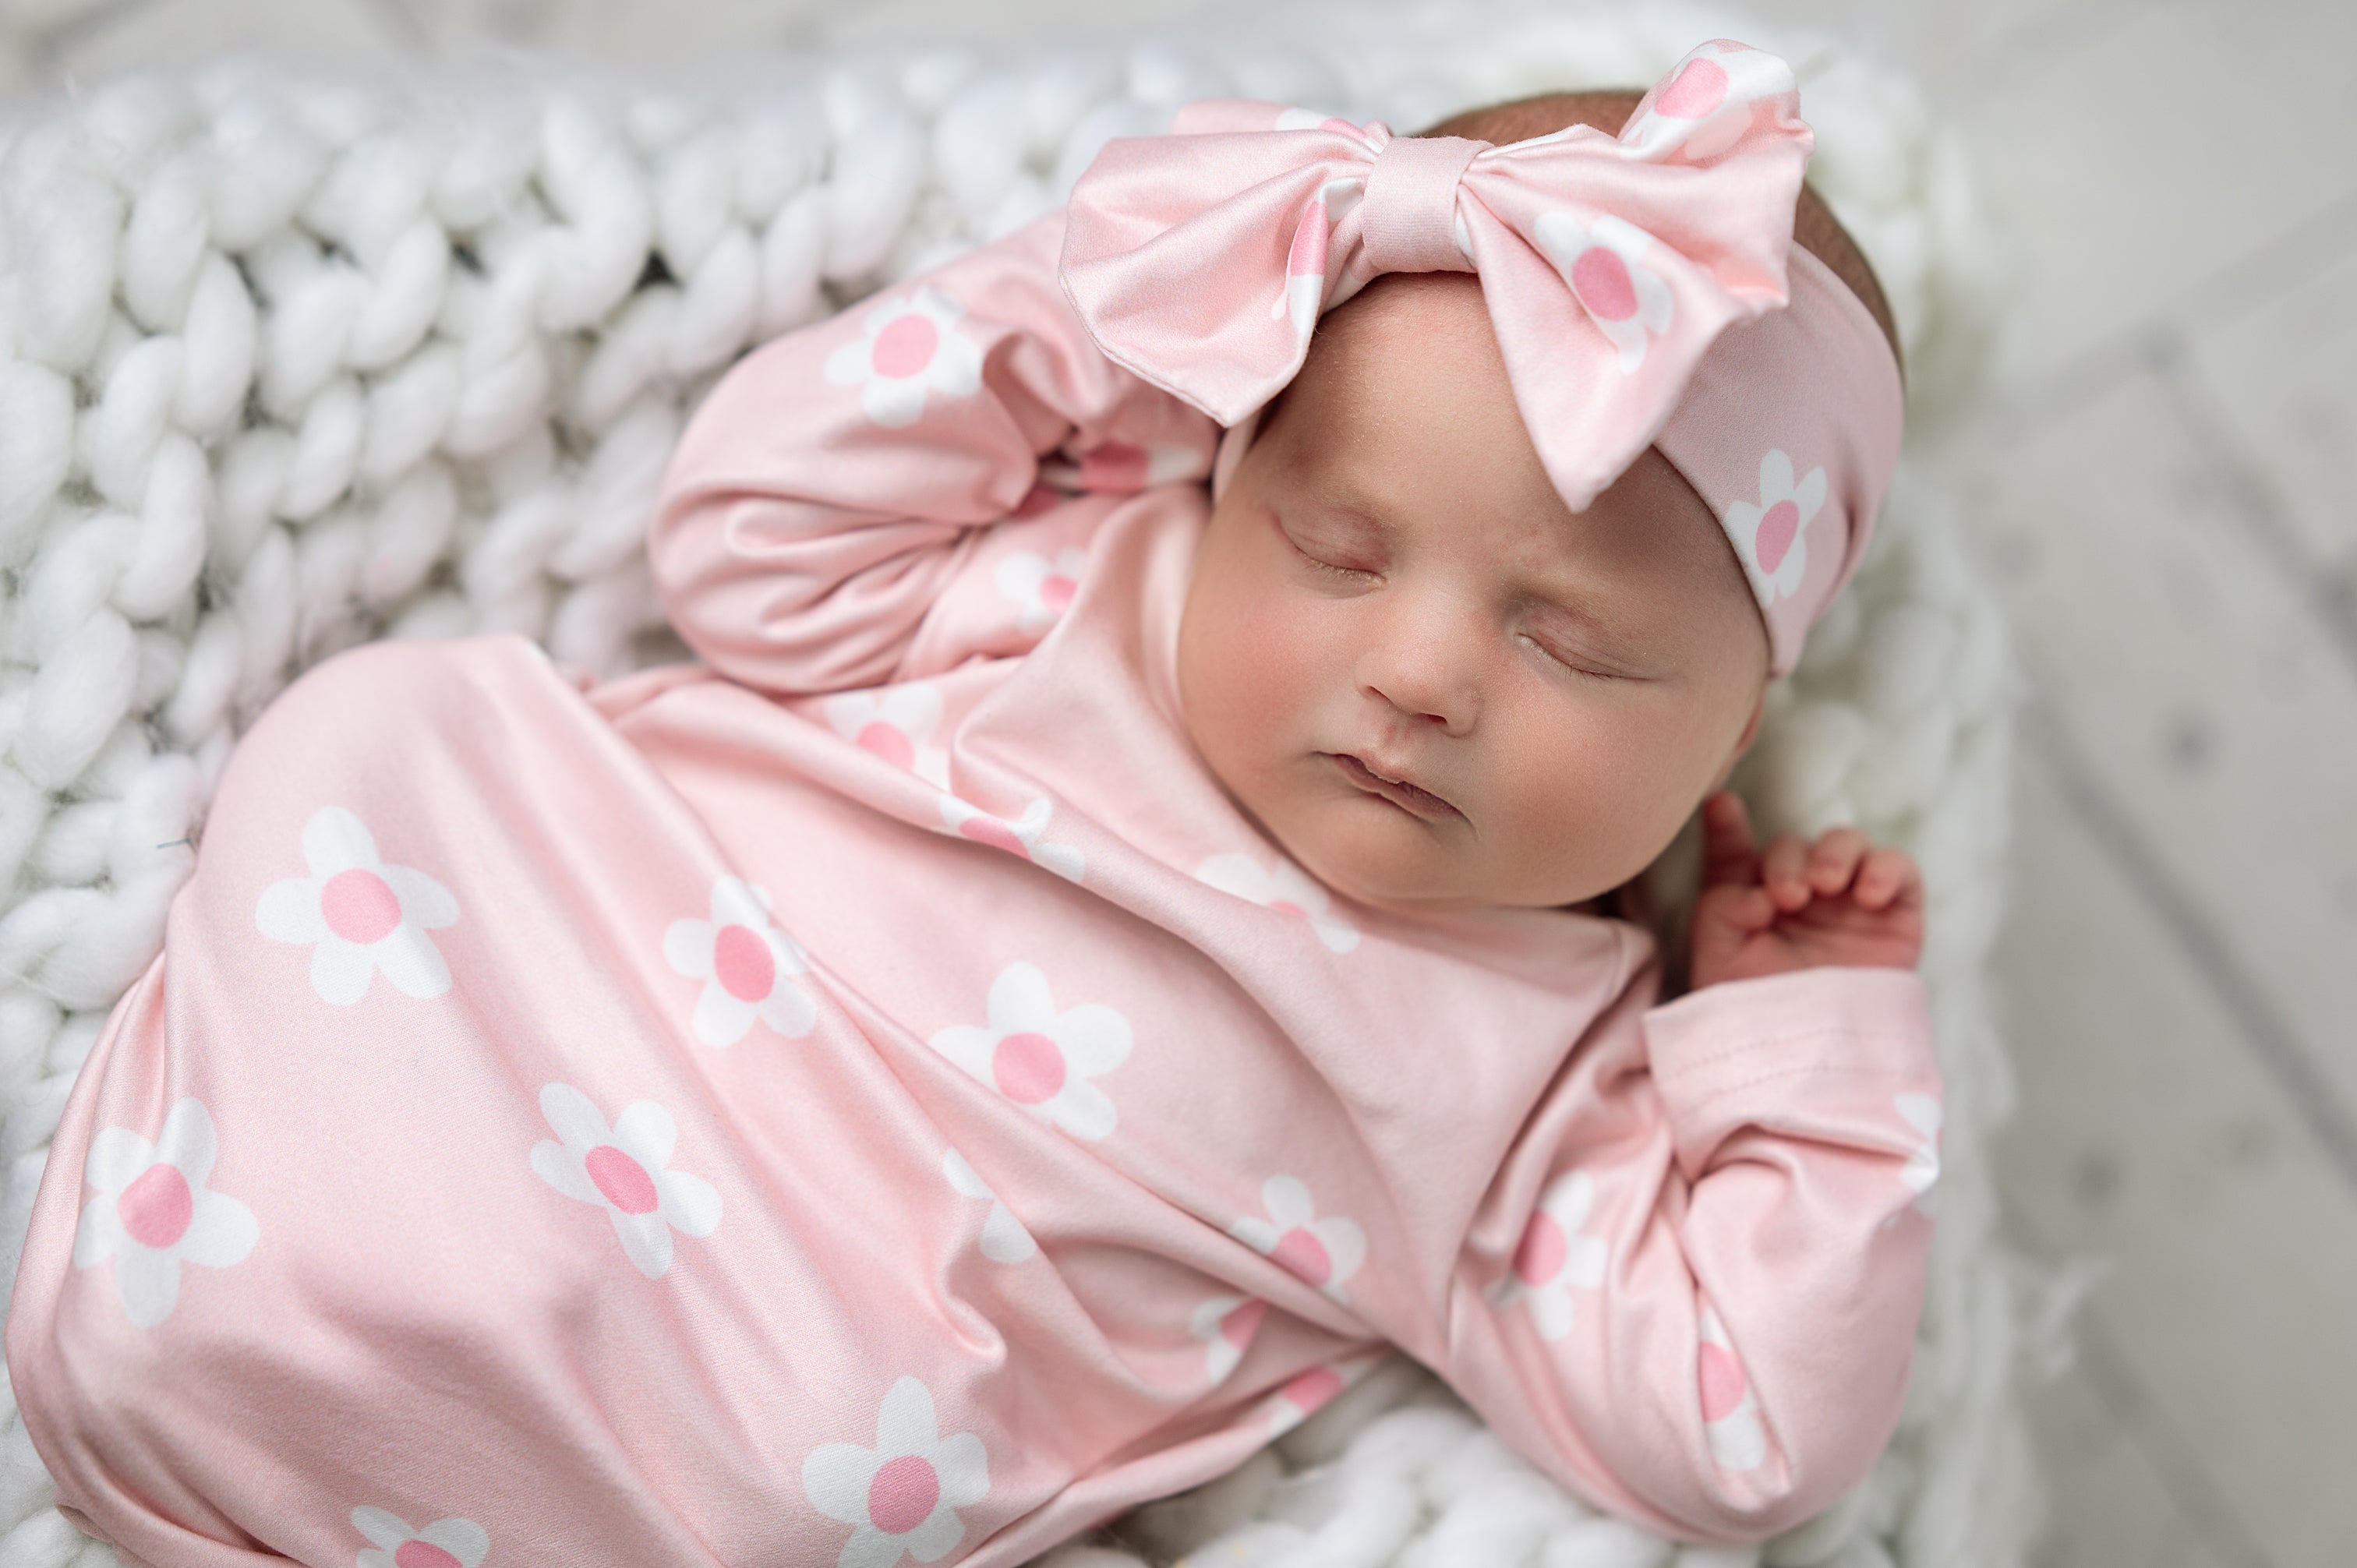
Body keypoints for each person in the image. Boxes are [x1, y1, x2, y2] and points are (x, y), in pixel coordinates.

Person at [5, 40, 1937, 1568]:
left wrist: (1794, 1039)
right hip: (529, 965)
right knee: (391, 741)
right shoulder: (1070, 573)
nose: (1420, 672)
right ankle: (235, 1286)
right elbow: (743, 541)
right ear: (1222, 469)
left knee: (807, 1447)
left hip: (746, 1356)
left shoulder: (1542, 1107)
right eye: (1338, 548)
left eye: (1577, 647)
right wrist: (1103, 316)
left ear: (1737, 726)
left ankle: (338, 1420)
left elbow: (1740, 1427)